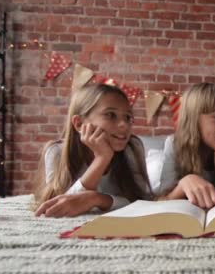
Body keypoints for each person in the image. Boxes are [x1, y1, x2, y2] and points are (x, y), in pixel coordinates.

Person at [33, 83, 151, 217]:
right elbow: (58, 208)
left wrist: (97, 199)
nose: (123, 124)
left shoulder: (132, 148)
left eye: (128, 117)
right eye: (110, 115)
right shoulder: (57, 152)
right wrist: (102, 158)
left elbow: (143, 202)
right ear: (79, 123)